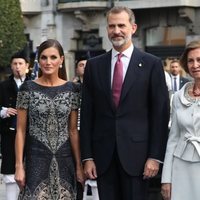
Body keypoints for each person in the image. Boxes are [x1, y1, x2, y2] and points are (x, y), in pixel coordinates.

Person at [80, 6, 169, 200]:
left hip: (138, 159)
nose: (116, 31)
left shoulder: (151, 64)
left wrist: (155, 156)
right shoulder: (94, 66)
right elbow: (86, 114)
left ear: (133, 28)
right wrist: (87, 157)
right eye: (112, 26)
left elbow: (160, 114)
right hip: (103, 158)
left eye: (121, 25)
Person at [14, 39, 85, 199]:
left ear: (61, 60)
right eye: (44, 57)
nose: (48, 62)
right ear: (38, 61)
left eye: (53, 57)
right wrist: (19, 166)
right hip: (35, 160)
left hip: (65, 161)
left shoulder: (73, 89)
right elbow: (20, 130)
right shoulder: (27, 88)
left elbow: (73, 131)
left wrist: (79, 166)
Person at [161, 40, 200, 200]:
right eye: (190, 60)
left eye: (199, 60)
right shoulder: (178, 97)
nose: (195, 65)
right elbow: (173, 139)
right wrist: (166, 180)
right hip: (181, 166)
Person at [0, 51, 30, 200]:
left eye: (20, 64)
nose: (18, 67)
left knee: (31, 171)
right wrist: (3, 111)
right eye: (15, 64)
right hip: (9, 134)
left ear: (27, 66)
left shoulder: (35, 84)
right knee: (10, 173)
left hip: (31, 135)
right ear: (11, 66)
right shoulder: (3, 86)